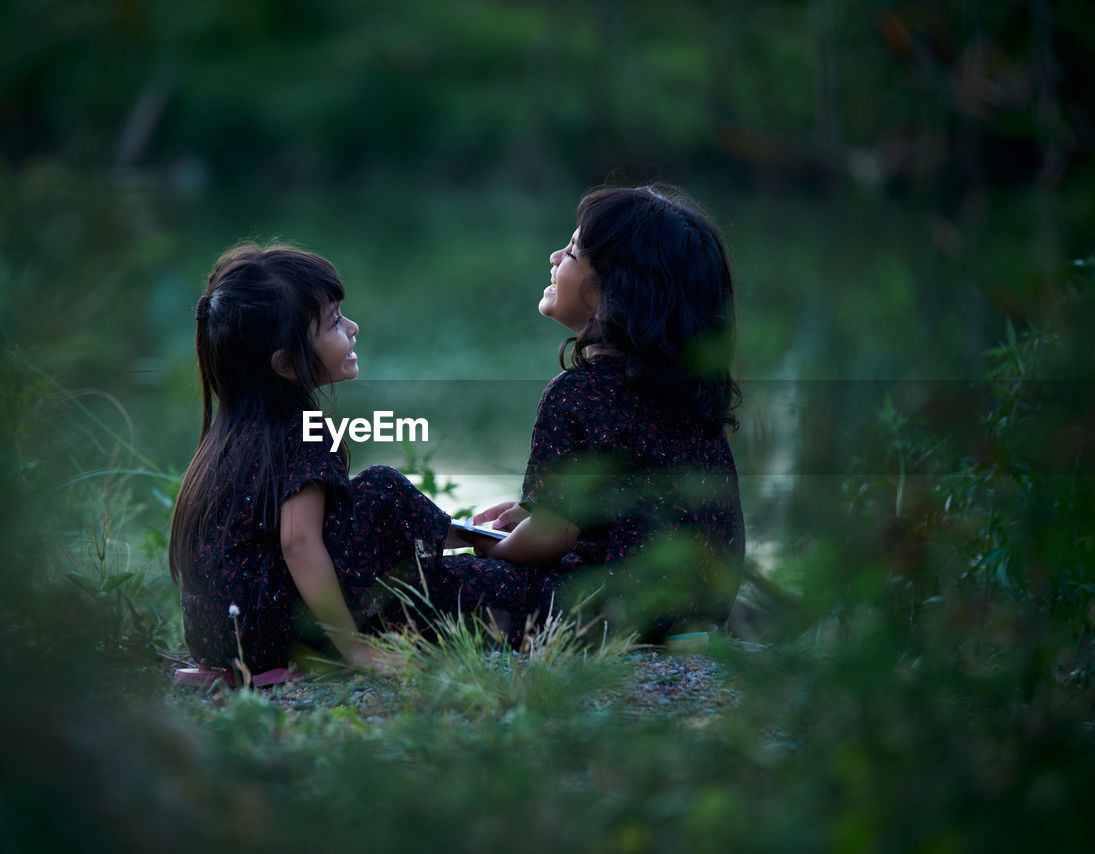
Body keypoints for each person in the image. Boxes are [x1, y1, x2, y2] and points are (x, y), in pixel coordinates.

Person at [457, 184, 746, 643]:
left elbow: (551, 537)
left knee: (444, 581)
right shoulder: (693, 393)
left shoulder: (576, 393)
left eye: (571, 252)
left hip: (612, 614)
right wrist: (530, 513)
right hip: (698, 609)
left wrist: (489, 548)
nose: (554, 257)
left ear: (615, 288)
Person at [168, 243, 454, 675]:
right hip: (268, 633)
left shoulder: (232, 433)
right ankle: (489, 546)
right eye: (335, 322)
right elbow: (298, 543)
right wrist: (354, 650)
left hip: (217, 639)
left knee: (364, 508)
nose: (354, 328)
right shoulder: (304, 428)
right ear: (285, 364)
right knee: (381, 487)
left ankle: (477, 540)